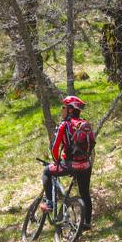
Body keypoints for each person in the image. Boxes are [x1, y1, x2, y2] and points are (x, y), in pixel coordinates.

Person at [40, 95, 95, 230]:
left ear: (70, 110)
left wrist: (57, 162)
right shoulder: (85, 124)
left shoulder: (65, 125)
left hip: (70, 164)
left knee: (47, 171)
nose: (62, 110)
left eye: (63, 107)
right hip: (86, 165)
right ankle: (87, 223)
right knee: (85, 194)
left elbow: (54, 148)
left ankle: (50, 203)